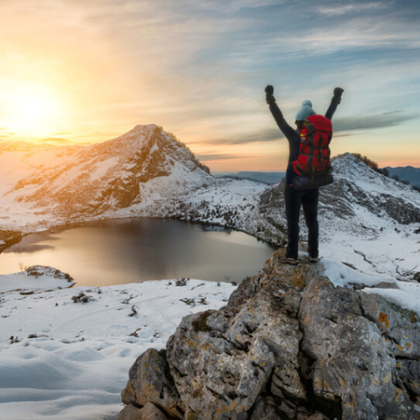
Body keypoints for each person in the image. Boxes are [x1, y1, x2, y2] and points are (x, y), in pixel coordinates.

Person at [265, 85, 344, 264]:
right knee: (312, 220)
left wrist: (270, 99)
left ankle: (292, 255)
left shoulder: (294, 137)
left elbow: (279, 118)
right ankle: (313, 254)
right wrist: (336, 98)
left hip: (294, 185)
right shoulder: (319, 136)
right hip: (313, 184)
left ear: (298, 122)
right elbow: (328, 116)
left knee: (293, 221)